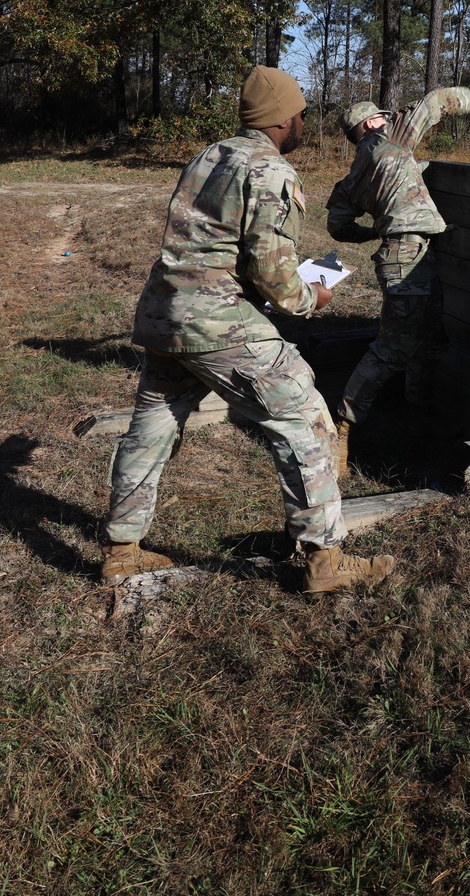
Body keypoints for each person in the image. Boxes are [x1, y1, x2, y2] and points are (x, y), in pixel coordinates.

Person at [100, 65, 394, 595]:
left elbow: (215, 244)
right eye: (301, 114)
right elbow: (276, 279)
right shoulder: (271, 171)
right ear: (283, 120)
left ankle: (123, 549)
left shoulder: (210, 154)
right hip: (218, 321)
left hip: (165, 313)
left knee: (152, 427)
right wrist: (314, 293)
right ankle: (324, 560)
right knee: (305, 419)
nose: (304, 123)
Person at [326, 87, 470, 473]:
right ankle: (341, 427)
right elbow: (436, 102)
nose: (389, 120)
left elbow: (337, 225)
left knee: (427, 342)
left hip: (408, 253)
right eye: (382, 117)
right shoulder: (389, 136)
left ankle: (418, 418)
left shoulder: (355, 173)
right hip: (407, 256)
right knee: (392, 347)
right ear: (371, 123)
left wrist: (377, 230)